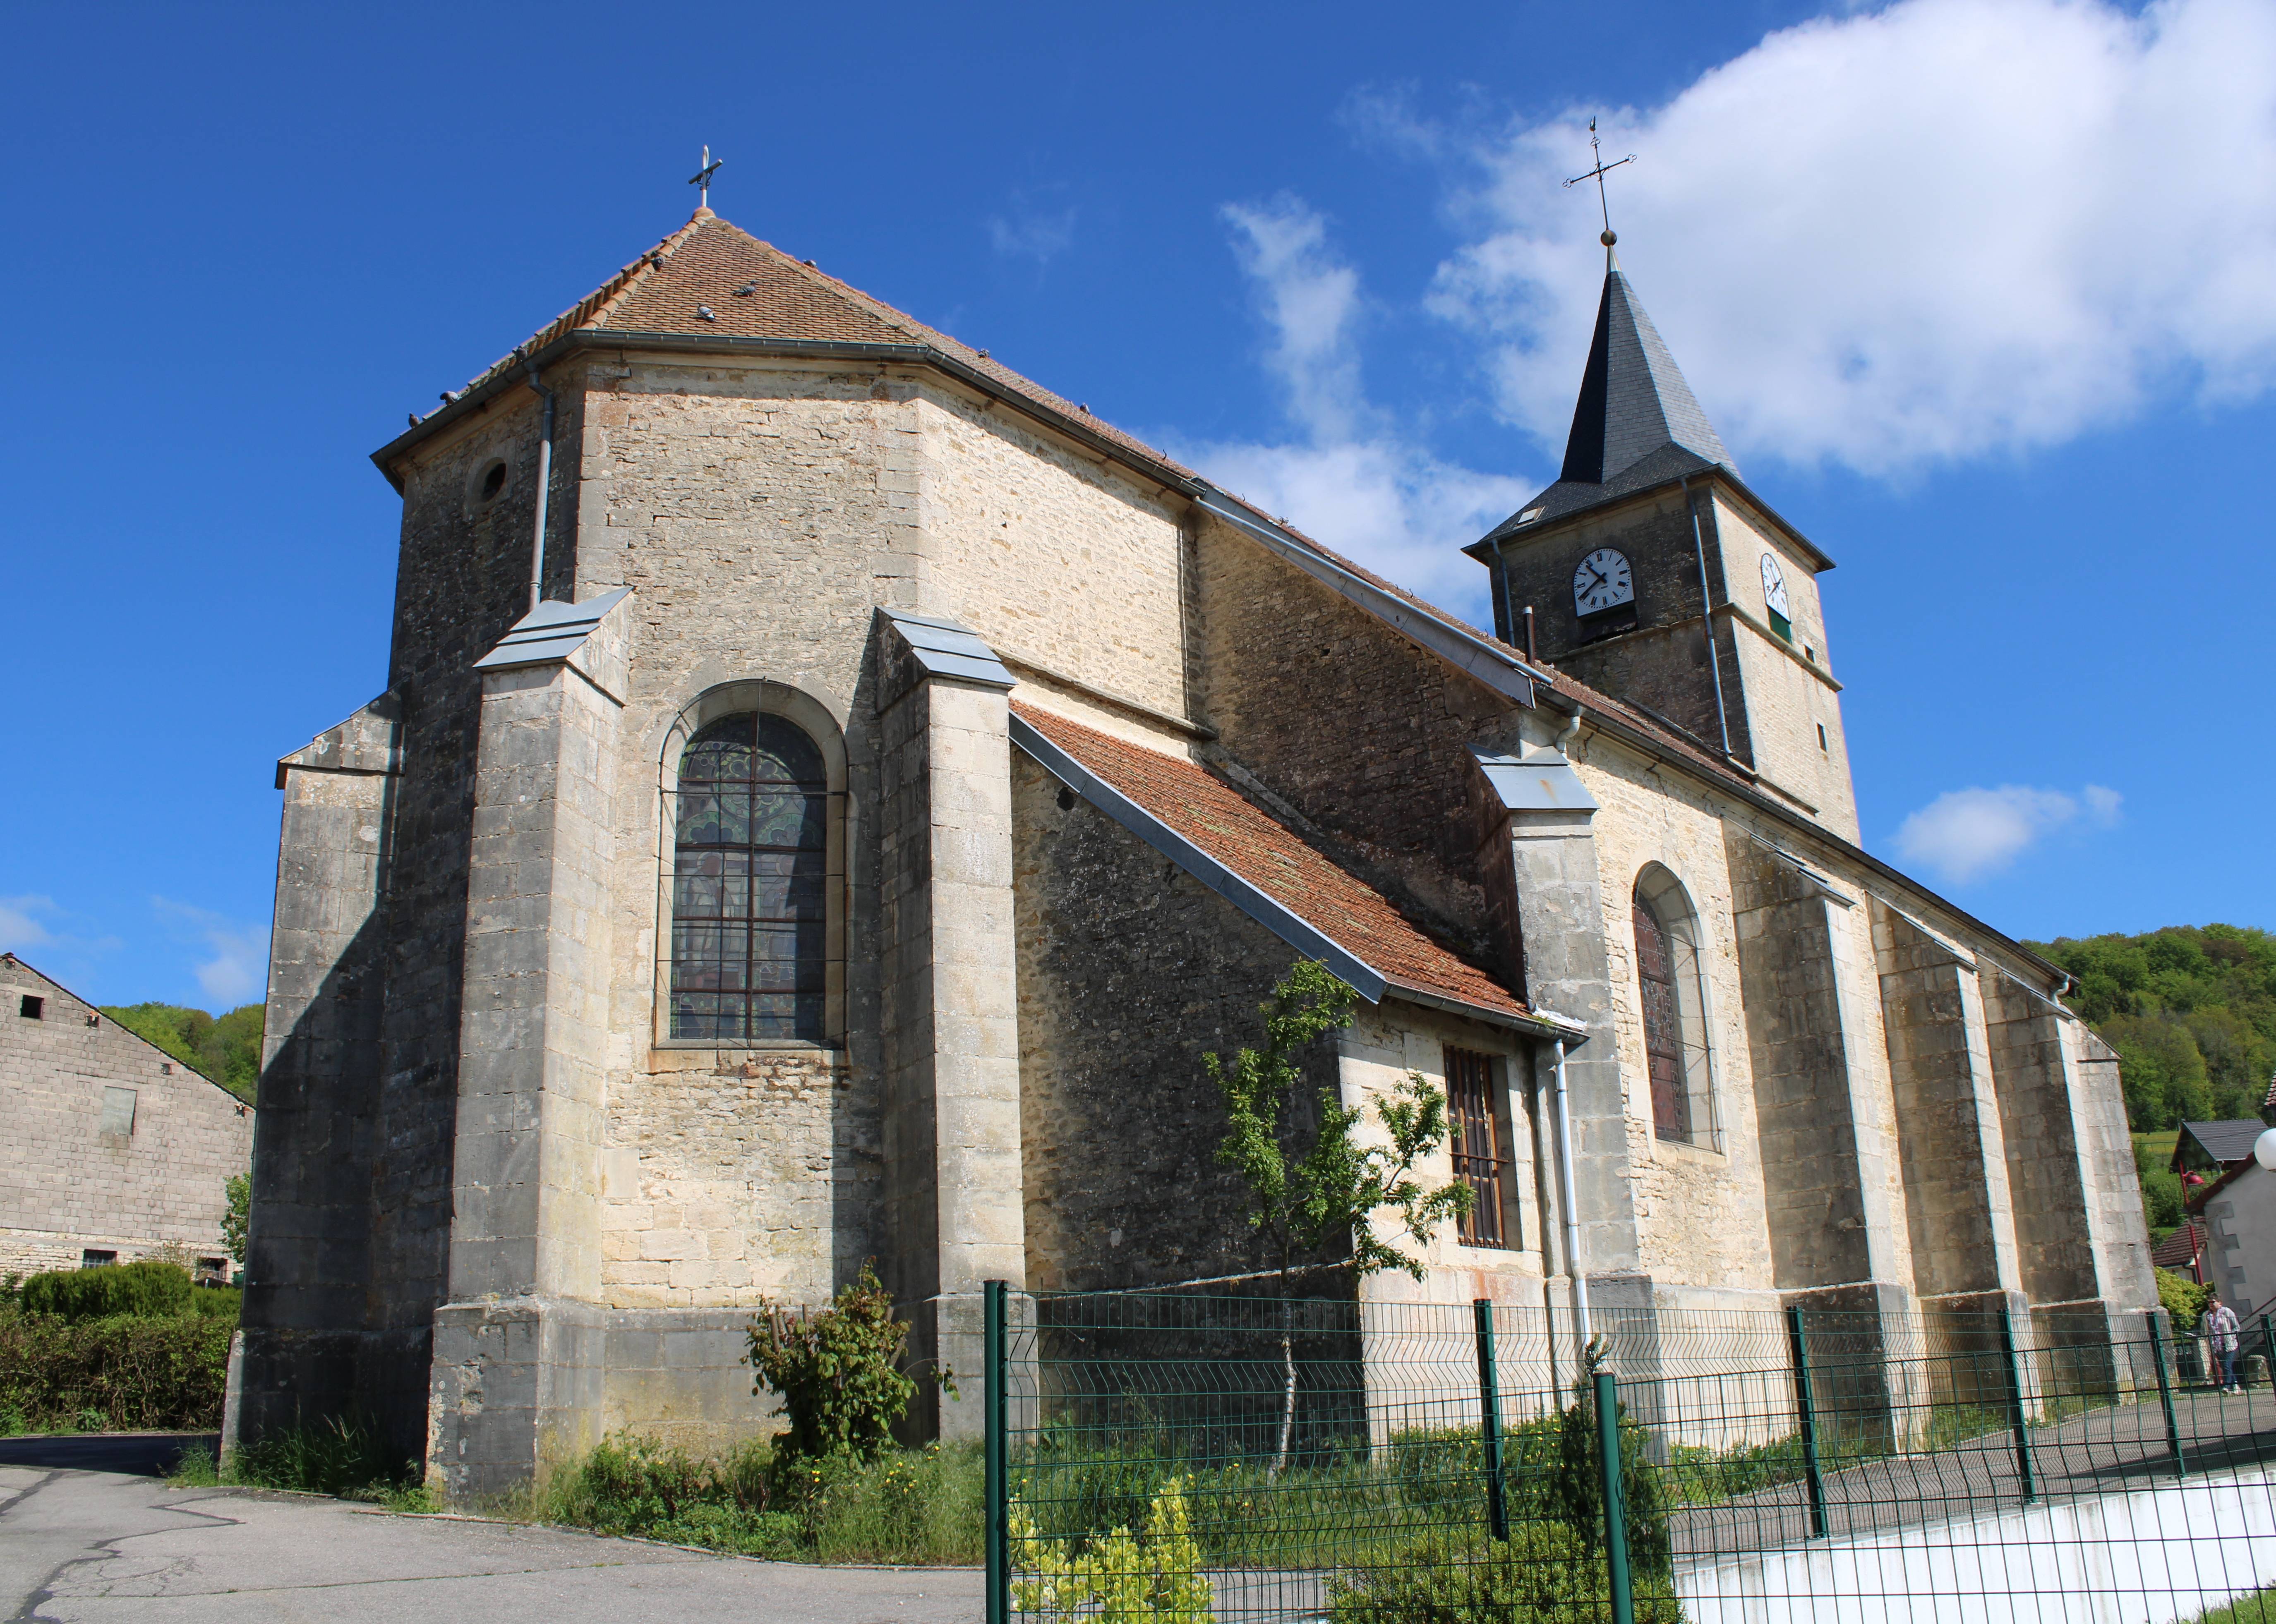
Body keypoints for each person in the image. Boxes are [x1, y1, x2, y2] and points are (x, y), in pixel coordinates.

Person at [2203, 1298, 2243, 1394]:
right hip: (2217, 1345)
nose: (2211, 1304)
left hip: (2229, 1343)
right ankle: (2236, 1386)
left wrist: (2230, 1335)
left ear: (2220, 1303)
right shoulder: (2208, 1315)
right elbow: (2207, 1330)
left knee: (2226, 1365)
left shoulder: (2226, 1312)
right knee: (2225, 1365)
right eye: (2209, 1303)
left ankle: (2226, 1386)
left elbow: (2236, 1327)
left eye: (2213, 1302)